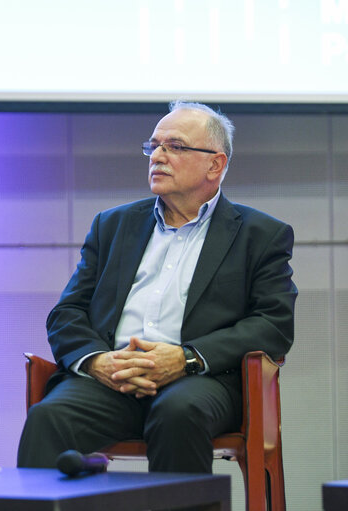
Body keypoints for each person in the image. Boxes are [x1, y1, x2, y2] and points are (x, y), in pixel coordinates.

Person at [17, 101, 297, 475]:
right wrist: (98, 362)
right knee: (50, 416)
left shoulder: (259, 234)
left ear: (215, 164)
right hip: (111, 378)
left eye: (175, 147)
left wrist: (186, 358)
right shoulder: (113, 225)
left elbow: (272, 324)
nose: (158, 157)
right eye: (154, 146)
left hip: (201, 381)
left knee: (178, 412)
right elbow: (67, 313)